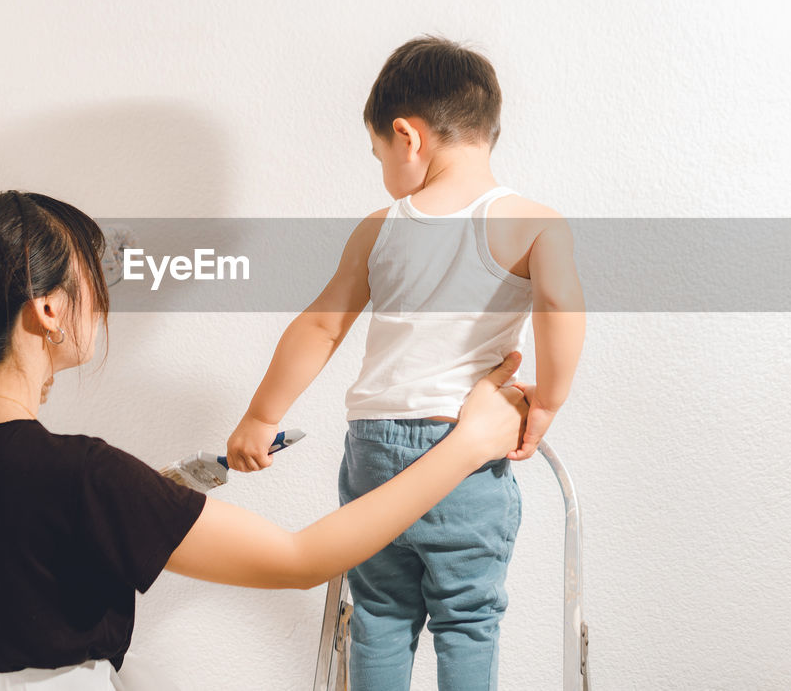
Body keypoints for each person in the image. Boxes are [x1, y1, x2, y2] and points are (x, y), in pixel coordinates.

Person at [0, 189, 529, 691]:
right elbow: (300, 559)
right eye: (94, 273)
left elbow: (8, 549)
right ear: (49, 308)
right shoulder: (84, 476)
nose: (103, 294)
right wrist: (466, 446)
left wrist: (150, 493)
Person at [226, 36, 586, 690]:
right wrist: (549, 400)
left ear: (407, 136)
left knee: (382, 613)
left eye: (377, 154)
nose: (383, 169)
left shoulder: (379, 226)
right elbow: (562, 304)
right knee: (468, 614)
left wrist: (261, 414)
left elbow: (321, 323)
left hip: (373, 448)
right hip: (463, 450)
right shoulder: (533, 222)